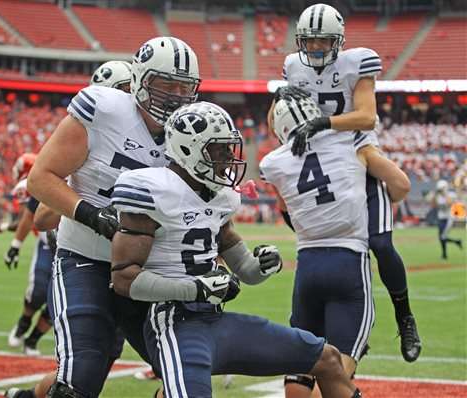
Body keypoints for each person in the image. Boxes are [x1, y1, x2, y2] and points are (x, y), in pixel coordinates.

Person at [110, 101, 362, 398]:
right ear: (189, 149)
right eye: (219, 150)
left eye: (229, 148)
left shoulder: (220, 197)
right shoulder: (151, 189)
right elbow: (124, 279)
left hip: (215, 320)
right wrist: (196, 289)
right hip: (174, 323)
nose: (229, 158)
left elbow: (245, 270)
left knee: (327, 359)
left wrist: (261, 265)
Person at [26, 37, 200, 398]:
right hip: (85, 260)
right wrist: (91, 214)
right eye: (165, 84)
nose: (175, 95)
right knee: (81, 378)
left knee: (187, 375)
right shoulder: (103, 110)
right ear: (139, 80)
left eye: (184, 87)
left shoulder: (189, 131)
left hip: (146, 273)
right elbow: (41, 178)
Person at [267, 3, 421, 363]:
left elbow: (367, 117)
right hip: (321, 160)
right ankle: (345, 333)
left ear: (338, 41)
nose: (317, 48)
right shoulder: (293, 66)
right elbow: (280, 117)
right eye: (310, 41)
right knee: (315, 241)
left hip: (357, 153)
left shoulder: (356, 62)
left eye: (323, 41)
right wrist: (281, 109)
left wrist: (324, 124)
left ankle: (406, 317)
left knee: (380, 243)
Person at [261, 91, 410, 397]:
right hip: (347, 263)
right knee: (337, 377)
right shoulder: (349, 141)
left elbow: (285, 210)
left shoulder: (273, 163)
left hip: (307, 268)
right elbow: (401, 185)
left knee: (299, 376)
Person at [4, 59, 138, 398]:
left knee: (100, 364)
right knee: (83, 372)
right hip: (86, 262)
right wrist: (89, 206)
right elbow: (43, 215)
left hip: (134, 269)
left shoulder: (149, 135)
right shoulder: (87, 142)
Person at [0, 153, 53, 357]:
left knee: (58, 304)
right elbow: (29, 218)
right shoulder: (42, 180)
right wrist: (15, 244)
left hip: (75, 249)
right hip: (48, 245)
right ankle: (23, 323)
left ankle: (32, 340)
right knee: (37, 292)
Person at [432, 179, 462, 259]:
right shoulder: (438, 196)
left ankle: (444, 254)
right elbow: (433, 205)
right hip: (441, 218)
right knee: (441, 237)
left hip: (448, 218)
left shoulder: (450, 194)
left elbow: (449, 203)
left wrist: (445, 194)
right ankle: (456, 243)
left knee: (442, 236)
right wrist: (435, 194)